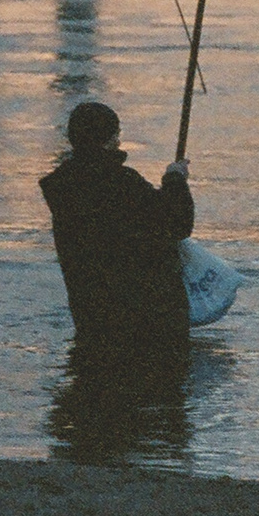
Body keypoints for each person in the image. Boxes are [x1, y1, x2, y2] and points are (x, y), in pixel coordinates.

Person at [39, 101, 194, 354]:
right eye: (117, 134)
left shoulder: (63, 189)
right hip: (147, 325)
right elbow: (177, 224)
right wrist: (175, 180)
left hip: (93, 319)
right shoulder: (122, 183)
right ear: (111, 140)